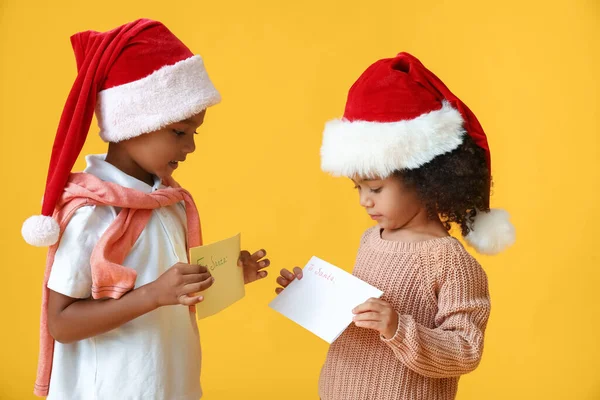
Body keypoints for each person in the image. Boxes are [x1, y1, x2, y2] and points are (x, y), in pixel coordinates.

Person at [22, 18, 269, 399]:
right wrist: (152, 294)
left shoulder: (166, 202)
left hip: (170, 383)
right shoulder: (94, 214)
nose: (190, 147)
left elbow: (169, 288)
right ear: (134, 123)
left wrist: (229, 276)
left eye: (193, 133)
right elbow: (61, 323)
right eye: (179, 132)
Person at [276, 52, 515, 400]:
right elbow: (360, 320)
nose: (364, 200)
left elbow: (465, 349)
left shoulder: (450, 262)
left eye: (375, 188)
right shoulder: (372, 239)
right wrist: (311, 296)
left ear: (425, 179)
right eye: (358, 188)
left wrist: (397, 328)